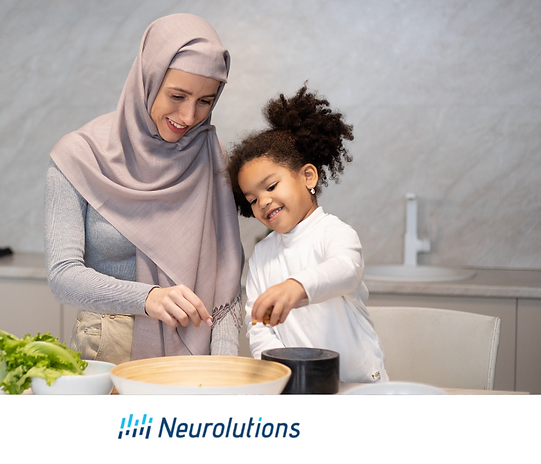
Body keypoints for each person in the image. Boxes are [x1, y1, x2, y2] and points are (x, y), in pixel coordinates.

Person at [45, 14, 243, 365]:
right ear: (147, 79)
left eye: (206, 101)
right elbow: (63, 276)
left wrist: (223, 366)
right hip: (107, 348)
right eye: (177, 95)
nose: (188, 115)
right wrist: (148, 297)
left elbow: (226, 277)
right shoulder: (80, 155)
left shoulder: (209, 155)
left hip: (193, 357)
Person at [227, 85, 388, 383]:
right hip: (298, 386)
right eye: (252, 199)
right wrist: (281, 370)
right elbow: (259, 327)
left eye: (271, 186)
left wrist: (297, 286)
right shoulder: (262, 255)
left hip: (359, 386)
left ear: (308, 176)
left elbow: (345, 270)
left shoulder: (335, 232)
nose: (262, 202)